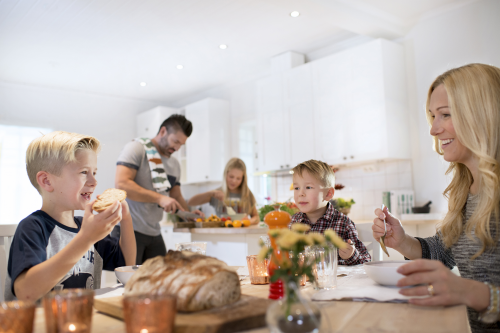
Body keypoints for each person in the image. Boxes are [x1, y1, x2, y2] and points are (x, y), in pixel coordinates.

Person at [372, 63, 500, 332]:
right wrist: (403, 242)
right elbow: (444, 252)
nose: (433, 129)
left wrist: (474, 293)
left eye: (445, 115)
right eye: (433, 116)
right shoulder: (465, 188)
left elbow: (471, 289)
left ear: (481, 115)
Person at [5, 131, 136, 302]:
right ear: (46, 181)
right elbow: (26, 292)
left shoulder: (86, 227)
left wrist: (126, 218)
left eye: (94, 172)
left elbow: (126, 264)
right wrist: (86, 238)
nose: (93, 181)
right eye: (84, 172)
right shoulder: (34, 227)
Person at [115, 114, 203, 264]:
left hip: (154, 232)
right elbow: (121, 184)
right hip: (129, 230)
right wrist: (160, 198)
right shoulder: (137, 149)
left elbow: (176, 195)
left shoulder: (174, 165)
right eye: (175, 141)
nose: (177, 147)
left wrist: (187, 213)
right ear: (163, 131)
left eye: (181, 144)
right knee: (128, 284)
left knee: (159, 281)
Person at [290, 159, 370, 265]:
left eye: (308, 187)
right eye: (296, 188)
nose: (301, 193)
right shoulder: (292, 222)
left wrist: (351, 255)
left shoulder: (343, 223)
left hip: (335, 280)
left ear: (328, 193)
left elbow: (366, 260)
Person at [188, 158, 259, 225]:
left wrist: (248, 221)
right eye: (231, 177)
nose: (234, 181)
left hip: (243, 234)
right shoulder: (217, 193)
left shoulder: (247, 194)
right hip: (221, 234)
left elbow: (256, 217)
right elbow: (191, 202)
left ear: (243, 178)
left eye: (238, 178)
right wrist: (210, 193)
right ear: (225, 174)